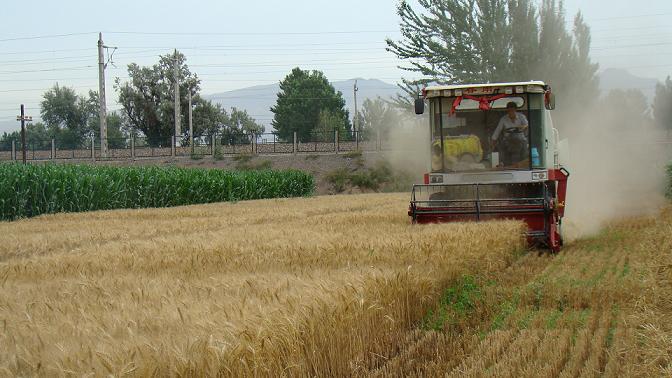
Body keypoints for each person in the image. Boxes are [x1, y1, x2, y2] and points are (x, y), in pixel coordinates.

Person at [491, 101, 529, 166]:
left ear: (515, 110)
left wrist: (522, 127)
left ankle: (523, 162)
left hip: (521, 139)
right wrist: (493, 141)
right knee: (501, 147)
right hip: (508, 140)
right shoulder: (503, 119)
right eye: (509, 111)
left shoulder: (521, 117)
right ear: (507, 111)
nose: (511, 112)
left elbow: (527, 125)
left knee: (525, 149)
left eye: (512, 110)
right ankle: (502, 163)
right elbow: (498, 130)